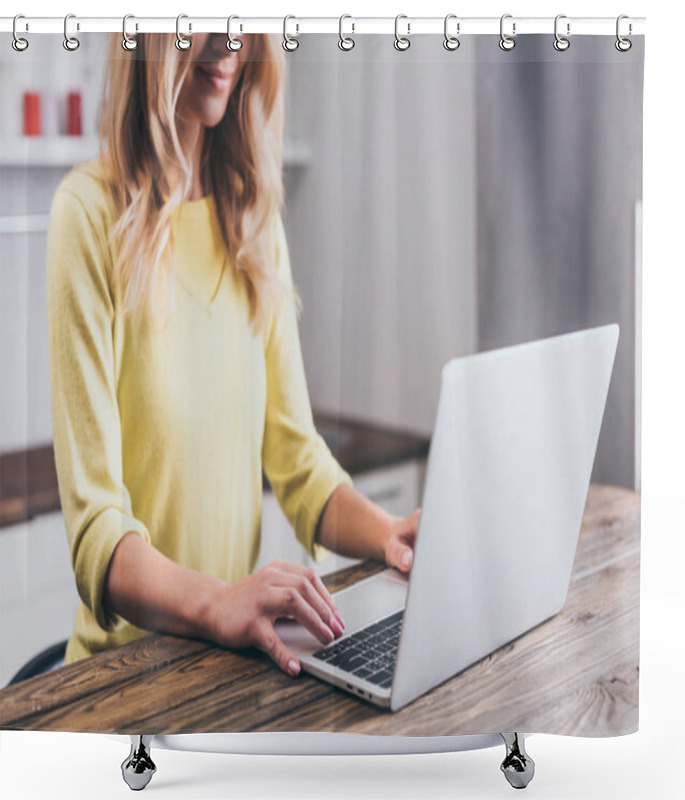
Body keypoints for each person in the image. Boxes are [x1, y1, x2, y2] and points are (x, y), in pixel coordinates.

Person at [45, 32, 419, 676]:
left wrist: (389, 534)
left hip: (229, 667)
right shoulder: (86, 215)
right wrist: (221, 600)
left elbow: (299, 462)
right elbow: (98, 533)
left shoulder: (253, 220)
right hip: (123, 678)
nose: (228, 39)